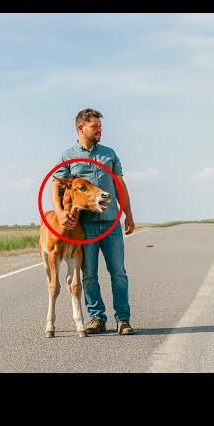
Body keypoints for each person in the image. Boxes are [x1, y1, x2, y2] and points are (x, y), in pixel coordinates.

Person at [52, 108, 136, 335]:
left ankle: (123, 320)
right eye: (95, 126)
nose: (100, 130)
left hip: (110, 223)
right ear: (81, 128)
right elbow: (57, 186)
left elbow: (119, 184)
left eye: (100, 126)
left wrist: (128, 213)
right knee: (89, 275)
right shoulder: (67, 156)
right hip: (84, 226)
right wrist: (60, 213)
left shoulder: (109, 154)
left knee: (118, 272)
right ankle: (96, 318)